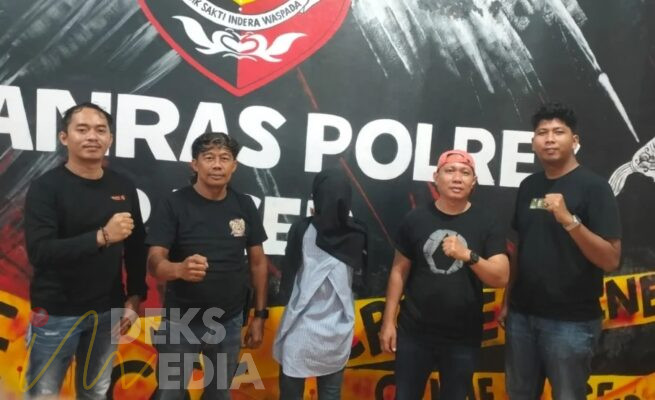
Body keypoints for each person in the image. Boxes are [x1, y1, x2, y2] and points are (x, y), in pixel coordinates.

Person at [23, 102, 147, 399]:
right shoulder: (45, 187)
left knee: (96, 392)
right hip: (55, 312)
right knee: (43, 394)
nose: (92, 136)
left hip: (107, 311)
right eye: (82, 129)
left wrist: (134, 296)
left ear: (110, 139)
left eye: (100, 130)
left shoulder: (123, 186)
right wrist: (102, 236)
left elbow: (136, 246)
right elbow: (40, 251)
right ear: (64, 137)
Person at [501, 102, 622, 399]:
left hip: (571, 323)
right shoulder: (528, 186)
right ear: (533, 142)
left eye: (558, 132)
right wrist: (507, 301)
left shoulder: (595, 188)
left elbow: (610, 259)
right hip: (521, 317)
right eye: (542, 133)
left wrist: (570, 221)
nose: (550, 139)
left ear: (574, 140)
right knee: (519, 394)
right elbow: (520, 249)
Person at [146, 131, 268, 399]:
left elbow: (258, 263)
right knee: (169, 394)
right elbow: (154, 262)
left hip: (229, 321)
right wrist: (179, 269)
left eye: (225, 158)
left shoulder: (244, 204)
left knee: (219, 394)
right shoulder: (174, 203)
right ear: (195, 164)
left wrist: (259, 316)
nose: (217, 165)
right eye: (209, 157)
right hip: (181, 320)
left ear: (234, 165)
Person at [379, 149, 509, 400]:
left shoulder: (487, 221)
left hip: (463, 336)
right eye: (450, 171)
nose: (457, 178)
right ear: (436, 178)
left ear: (474, 182)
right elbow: (398, 270)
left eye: (465, 172)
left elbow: (501, 277)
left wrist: (467, 255)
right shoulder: (415, 218)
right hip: (415, 333)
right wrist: (388, 321)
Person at [273, 168, 368, 400]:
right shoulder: (358, 233)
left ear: (316, 195)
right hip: (337, 327)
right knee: (330, 393)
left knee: (291, 394)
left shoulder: (302, 229)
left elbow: (288, 274)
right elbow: (363, 277)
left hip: (300, 324)